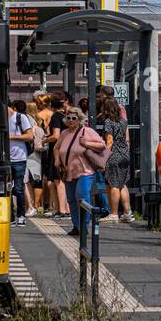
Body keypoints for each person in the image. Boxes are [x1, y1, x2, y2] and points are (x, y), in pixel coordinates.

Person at [55, 107, 106, 238]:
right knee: (71, 199)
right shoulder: (64, 133)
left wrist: (86, 143)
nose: (71, 120)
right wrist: (57, 160)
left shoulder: (87, 131)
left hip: (85, 171)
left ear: (79, 119)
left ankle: (84, 226)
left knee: (81, 197)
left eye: (74, 118)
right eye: (68, 118)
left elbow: (102, 145)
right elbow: (57, 147)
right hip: (68, 171)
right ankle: (76, 226)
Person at [100, 96, 133, 221]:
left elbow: (109, 142)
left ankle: (113, 213)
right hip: (125, 154)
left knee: (113, 183)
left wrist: (104, 159)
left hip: (114, 155)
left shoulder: (108, 122)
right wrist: (125, 152)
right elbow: (127, 140)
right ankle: (126, 213)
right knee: (122, 184)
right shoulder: (124, 122)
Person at [8, 99, 34, 226]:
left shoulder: (20, 117)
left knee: (18, 188)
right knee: (7, 189)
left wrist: (11, 136)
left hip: (19, 157)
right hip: (4, 159)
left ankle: (21, 215)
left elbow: (30, 136)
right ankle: (11, 217)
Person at [44, 93, 70, 217]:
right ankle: (67, 209)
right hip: (66, 150)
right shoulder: (66, 116)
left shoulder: (55, 117)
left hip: (57, 151)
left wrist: (45, 140)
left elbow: (56, 136)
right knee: (63, 181)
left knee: (58, 181)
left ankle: (62, 210)